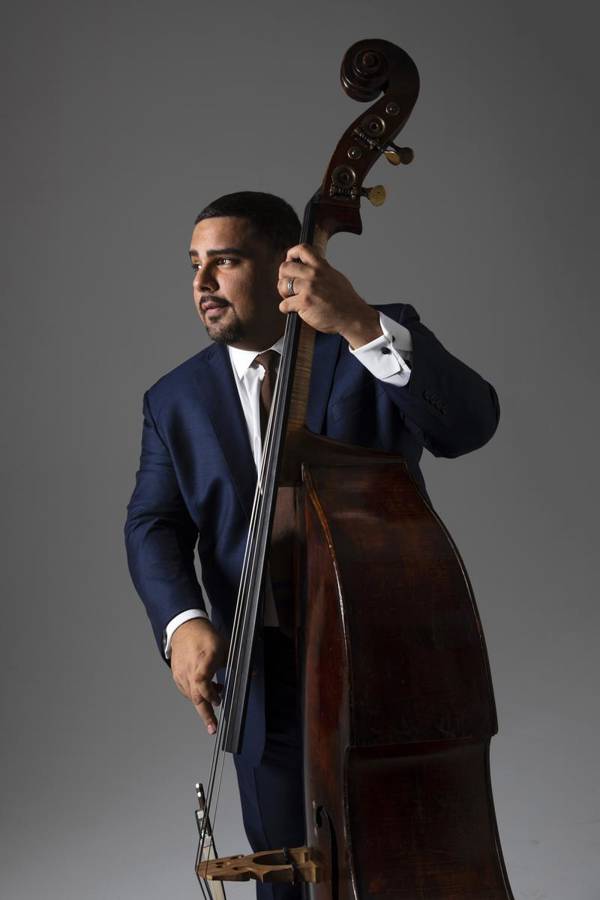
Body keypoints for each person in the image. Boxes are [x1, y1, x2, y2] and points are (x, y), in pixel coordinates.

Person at [124, 191, 499, 900]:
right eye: (194, 265)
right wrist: (184, 623)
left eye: (225, 261)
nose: (202, 283)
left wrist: (359, 323)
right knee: (288, 875)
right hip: (261, 677)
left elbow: (468, 426)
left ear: (283, 267)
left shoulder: (365, 340)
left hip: (382, 660)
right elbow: (152, 523)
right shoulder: (173, 399)